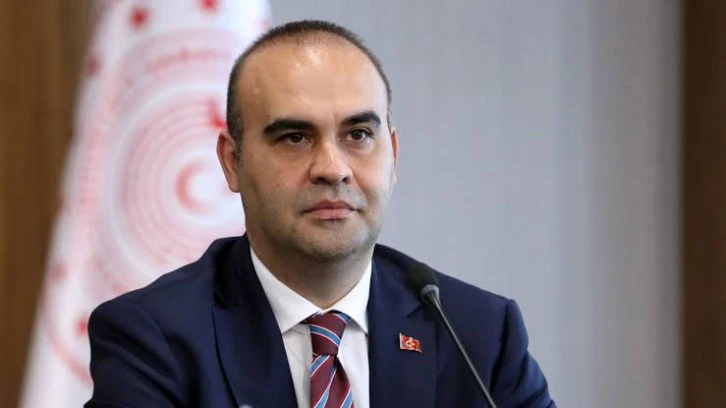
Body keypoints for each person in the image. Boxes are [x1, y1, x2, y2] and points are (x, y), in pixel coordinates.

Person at [85, 20, 555, 408]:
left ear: (392, 154)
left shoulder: (477, 334)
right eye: (294, 137)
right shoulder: (154, 339)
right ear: (232, 161)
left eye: (358, 135)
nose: (332, 168)